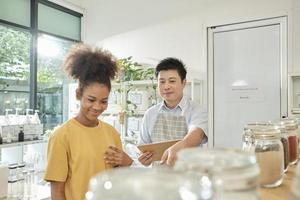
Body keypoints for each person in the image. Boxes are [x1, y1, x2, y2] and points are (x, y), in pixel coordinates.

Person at [44, 44, 133, 200]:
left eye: (103, 101)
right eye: (91, 100)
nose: (97, 107)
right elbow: (57, 193)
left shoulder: (111, 133)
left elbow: (119, 180)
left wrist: (126, 161)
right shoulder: (61, 136)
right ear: (79, 95)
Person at [138, 57, 207, 167]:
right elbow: (143, 148)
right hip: (159, 178)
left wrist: (181, 146)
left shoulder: (197, 110)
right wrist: (144, 159)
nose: (166, 87)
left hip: (188, 177)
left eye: (172, 81)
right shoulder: (150, 113)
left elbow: (196, 134)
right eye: (162, 82)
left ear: (183, 83)